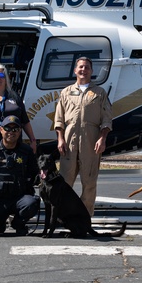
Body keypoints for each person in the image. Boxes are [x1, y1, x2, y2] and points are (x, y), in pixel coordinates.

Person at [52, 56, 112, 215]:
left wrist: (102, 138)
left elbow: (106, 118)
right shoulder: (66, 92)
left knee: (90, 181)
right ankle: (63, 215)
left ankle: (85, 217)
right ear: (75, 70)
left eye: (86, 67)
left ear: (91, 71)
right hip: (69, 140)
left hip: (91, 140)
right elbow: (59, 118)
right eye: (80, 67)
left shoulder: (99, 93)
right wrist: (60, 138)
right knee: (65, 181)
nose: (83, 70)